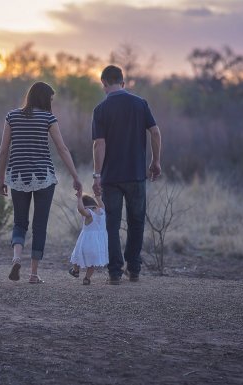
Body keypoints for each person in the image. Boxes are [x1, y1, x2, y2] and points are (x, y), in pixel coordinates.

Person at [0, 81, 82, 284]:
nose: (51, 103)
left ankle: (17, 257)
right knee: (40, 225)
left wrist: (2, 179)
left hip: (17, 176)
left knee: (20, 222)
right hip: (43, 176)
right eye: (51, 99)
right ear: (44, 99)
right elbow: (62, 149)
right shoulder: (48, 118)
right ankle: (33, 274)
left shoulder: (12, 116)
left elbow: (3, 151)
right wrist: (75, 176)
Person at [91, 65, 162, 285]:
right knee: (136, 222)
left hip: (111, 177)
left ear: (104, 83)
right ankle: (134, 269)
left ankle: (114, 273)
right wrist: (155, 161)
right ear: (123, 83)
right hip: (136, 175)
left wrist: (97, 175)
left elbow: (98, 145)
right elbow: (155, 132)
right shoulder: (140, 104)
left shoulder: (100, 109)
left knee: (111, 224)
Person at [69, 192, 108, 285]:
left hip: (86, 242)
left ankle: (75, 271)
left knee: (76, 256)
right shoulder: (102, 211)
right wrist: (98, 197)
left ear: (85, 206)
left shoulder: (89, 214)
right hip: (98, 244)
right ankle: (87, 278)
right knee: (92, 263)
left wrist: (79, 198)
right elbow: (102, 204)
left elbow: (80, 209)